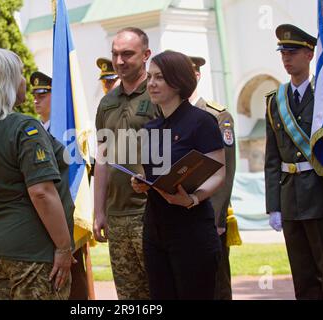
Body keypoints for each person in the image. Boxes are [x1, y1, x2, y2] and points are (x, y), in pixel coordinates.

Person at [0, 45, 74, 300]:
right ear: (7, 83)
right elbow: (42, 192)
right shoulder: (25, 127)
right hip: (31, 249)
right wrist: (64, 247)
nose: (25, 81)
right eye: (21, 74)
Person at [131, 50, 225, 299]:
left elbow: (218, 172)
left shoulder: (202, 121)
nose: (151, 83)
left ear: (178, 81)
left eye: (159, 77)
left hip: (191, 230)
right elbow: (152, 174)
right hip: (155, 230)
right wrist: (141, 183)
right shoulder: (151, 127)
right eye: (149, 77)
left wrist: (192, 199)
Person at [94, 27, 161, 299]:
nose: (119, 61)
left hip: (151, 213)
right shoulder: (107, 102)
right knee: (128, 295)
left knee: (160, 289)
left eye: (127, 54)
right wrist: (99, 211)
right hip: (117, 216)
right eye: (115, 54)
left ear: (146, 55)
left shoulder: (159, 94)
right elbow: (101, 159)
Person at [265, 24, 323, 300]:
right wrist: (273, 206)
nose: (286, 58)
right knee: (302, 275)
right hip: (290, 199)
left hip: (319, 195)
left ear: (310, 55)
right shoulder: (275, 101)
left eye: (293, 52)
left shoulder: (322, 97)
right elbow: (272, 159)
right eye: (283, 53)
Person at [30, 71, 92, 300]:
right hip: (44, 215)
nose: (36, 99)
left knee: (75, 280)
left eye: (43, 94)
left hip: (67, 209)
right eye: (34, 94)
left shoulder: (67, 130)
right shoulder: (33, 130)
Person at [189, 56, 236, 300]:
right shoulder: (168, 115)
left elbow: (225, 171)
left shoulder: (218, 116)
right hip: (181, 210)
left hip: (209, 212)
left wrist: (217, 219)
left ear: (197, 76)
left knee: (216, 281)